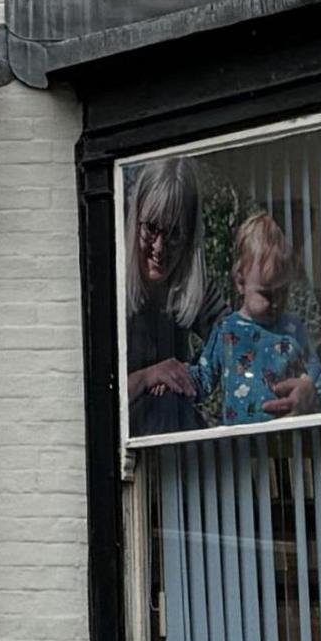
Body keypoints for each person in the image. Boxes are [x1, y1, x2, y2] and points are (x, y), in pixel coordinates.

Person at [195, 209, 321, 425]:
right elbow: (202, 379)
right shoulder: (226, 330)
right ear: (240, 283)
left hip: (289, 443)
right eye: (267, 293)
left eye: (283, 291)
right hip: (240, 447)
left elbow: (320, 383)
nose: (277, 301)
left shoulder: (293, 330)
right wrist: (175, 382)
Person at [121, 158, 207, 438]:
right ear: (135, 222)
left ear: (188, 237)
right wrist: (148, 377)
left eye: (173, 235)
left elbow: (239, 340)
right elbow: (90, 399)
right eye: (151, 229)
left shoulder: (192, 288)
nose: (159, 247)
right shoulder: (112, 289)